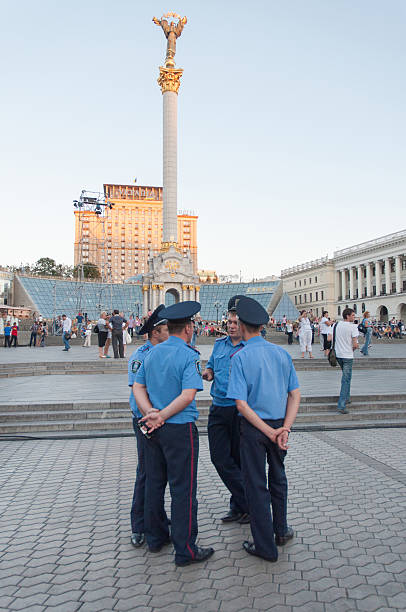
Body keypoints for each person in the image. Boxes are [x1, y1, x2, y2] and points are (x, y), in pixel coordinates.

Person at [134, 301, 214, 567]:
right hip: (179, 429)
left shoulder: (152, 353)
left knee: (155, 483)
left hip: (153, 430)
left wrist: (150, 415)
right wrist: (162, 416)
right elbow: (188, 394)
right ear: (189, 328)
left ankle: (156, 538)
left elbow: (138, 387)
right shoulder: (189, 355)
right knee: (183, 489)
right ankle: (185, 550)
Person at [227, 296, 300, 562]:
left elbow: (241, 405)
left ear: (243, 326)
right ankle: (281, 530)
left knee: (256, 484)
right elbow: (295, 395)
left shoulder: (241, 357)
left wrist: (267, 431)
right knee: (279, 478)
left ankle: (264, 546)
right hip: (280, 426)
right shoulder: (281, 353)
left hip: (255, 429)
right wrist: (285, 429)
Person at [202, 295, 249, 524]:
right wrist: (208, 373)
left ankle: (239, 506)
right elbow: (211, 365)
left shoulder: (248, 347)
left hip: (240, 411)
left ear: (243, 326)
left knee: (238, 459)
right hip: (218, 407)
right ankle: (250, 501)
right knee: (219, 458)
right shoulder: (219, 345)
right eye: (229, 322)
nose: (230, 326)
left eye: (235, 323)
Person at [128, 305, 169, 548]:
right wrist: (150, 416)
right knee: (145, 473)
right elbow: (136, 392)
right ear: (155, 332)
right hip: (145, 422)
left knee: (160, 474)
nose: (169, 333)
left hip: (162, 420)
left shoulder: (165, 352)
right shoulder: (140, 355)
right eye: (165, 330)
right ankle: (139, 525)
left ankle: (157, 520)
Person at [328, 308, 359, 414]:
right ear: (348, 316)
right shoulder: (353, 327)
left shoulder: (336, 325)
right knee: (345, 380)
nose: (354, 317)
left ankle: (347, 397)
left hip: (338, 355)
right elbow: (355, 344)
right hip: (347, 356)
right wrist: (353, 347)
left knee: (347, 377)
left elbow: (329, 338)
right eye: (353, 315)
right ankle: (341, 405)